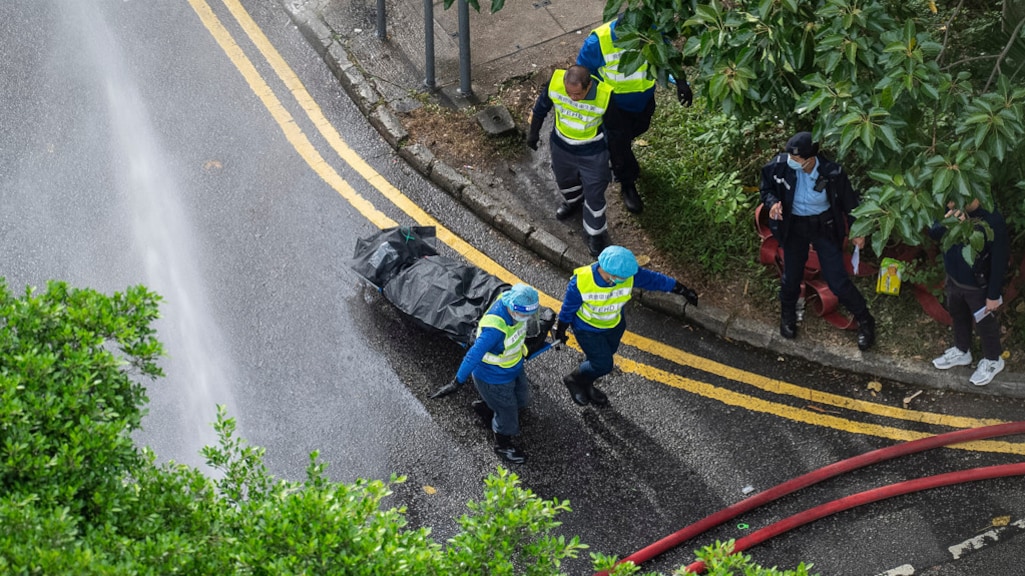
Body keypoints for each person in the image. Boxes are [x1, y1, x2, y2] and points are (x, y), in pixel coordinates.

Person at [760, 131, 876, 350]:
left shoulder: (832, 173)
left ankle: (865, 319)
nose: (792, 162)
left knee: (837, 280)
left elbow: (850, 203)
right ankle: (788, 314)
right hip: (793, 226)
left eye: (798, 159)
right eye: (791, 157)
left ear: (811, 158)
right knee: (791, 275)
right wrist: (772, 203)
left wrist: (858, 230)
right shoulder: (779, 167)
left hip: (823, 227)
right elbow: (765, 189)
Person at [552, 245, 698, 407]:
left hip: (614, 325)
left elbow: (653, 279)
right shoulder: (581, 282)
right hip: (588, 330)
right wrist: (561, 330)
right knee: (603, 364)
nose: (627, 279)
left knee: (602, 358)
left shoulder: (627, 275)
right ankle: (574, 379)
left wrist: (680, 289)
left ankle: (587, 382)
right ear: (608, 271)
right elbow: (568, 309)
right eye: (621, 277)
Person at [576, 17, 693, 214]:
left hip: (643, 103)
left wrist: (680, 80)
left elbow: (667, 57)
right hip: (614, 107)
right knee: (619, 144)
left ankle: (612, 148)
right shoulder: (598, 42)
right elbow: (584, 74)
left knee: (632, 133)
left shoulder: (650, 31)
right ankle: (627, 182)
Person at [429, 283, 540, 464]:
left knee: (522, 400)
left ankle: (487, 406)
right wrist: (457, 382)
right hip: (493, 378)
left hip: (513, 367)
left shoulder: (513, 301)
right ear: (512, 309)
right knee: (508, 414)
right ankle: (502, 445)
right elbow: (473, 355)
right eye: (524, 314)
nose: (526, 318)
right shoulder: (494, 329)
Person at [527, 65, 616, 257]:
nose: (572, 98)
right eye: (569, 93)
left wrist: (615, 159)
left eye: (577, 94)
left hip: (592, 152)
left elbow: (614, 129)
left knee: (595, 193)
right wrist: (533, 134)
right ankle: (574, 202)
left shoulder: (604, 96)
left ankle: (595, 233)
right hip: (562, 147)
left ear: (589, 85)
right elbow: (541, 108)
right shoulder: (556, 84)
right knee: (565, 181)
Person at [928, 199, 1009, 386]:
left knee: (985, 323)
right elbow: (934, 233)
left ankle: (993, 359)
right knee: (957, 314)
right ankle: (962, 350)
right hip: (954, 278)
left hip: (977, 284)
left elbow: (999, 260)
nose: (949, 204)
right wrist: (947, 223)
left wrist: (993, 294)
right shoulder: (950, 211)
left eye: (952, 199)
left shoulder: (991, 220)